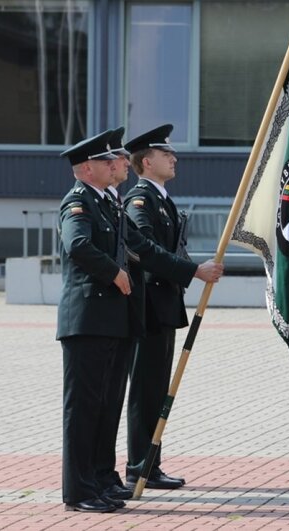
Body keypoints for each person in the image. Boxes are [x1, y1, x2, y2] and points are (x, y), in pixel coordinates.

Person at [56, 130, 220, 513]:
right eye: (108, 160)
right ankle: (79, 491)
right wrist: (114, 272)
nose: (118, 164)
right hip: (88, 320)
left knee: (107, 406)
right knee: (84, 409)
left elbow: (143, 248)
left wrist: (191, 271)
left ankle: (102, 479)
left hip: (113, 320)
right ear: (85, 170)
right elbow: (77, 245)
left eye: (117, 158)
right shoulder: (78, 203)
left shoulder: (108, 204)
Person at [120, 123, 201, 489]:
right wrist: (193, 271)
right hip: (148, 306)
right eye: (166, 154)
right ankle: (140, 466)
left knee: (156, 389)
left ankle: (150, 463)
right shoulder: (140, 201)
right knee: (146, 389)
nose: (174, 158)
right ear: (147, 161)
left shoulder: (162, 199)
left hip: (163, 305)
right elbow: (144, 251)